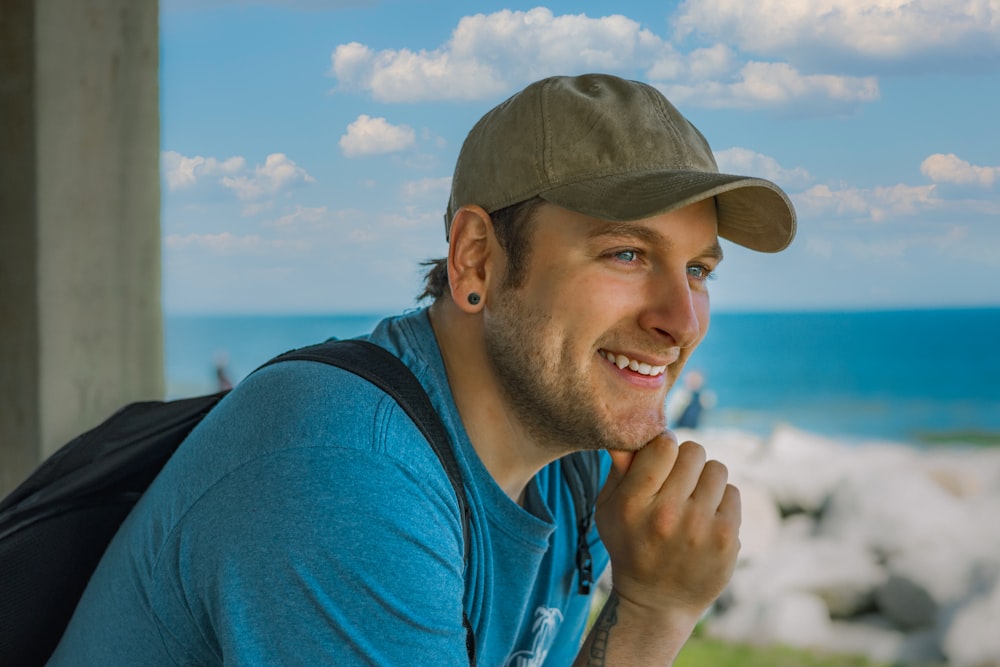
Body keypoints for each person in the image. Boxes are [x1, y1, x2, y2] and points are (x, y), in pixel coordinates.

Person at [48, 73, 795, 666]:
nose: (683, 319)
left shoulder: (577, 473)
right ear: (475, 258)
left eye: (698, 270)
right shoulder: (343, 470)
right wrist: (653, 614)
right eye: (626, 254)